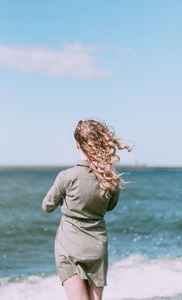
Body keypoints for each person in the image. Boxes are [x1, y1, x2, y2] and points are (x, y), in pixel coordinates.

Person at [42, 119, 132, 300]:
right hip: (97, 246)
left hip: (69, 247)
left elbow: (47, 206)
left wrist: (66, 201)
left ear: (77, 144)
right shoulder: (109, 178)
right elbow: (110, 207)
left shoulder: (67, 176)